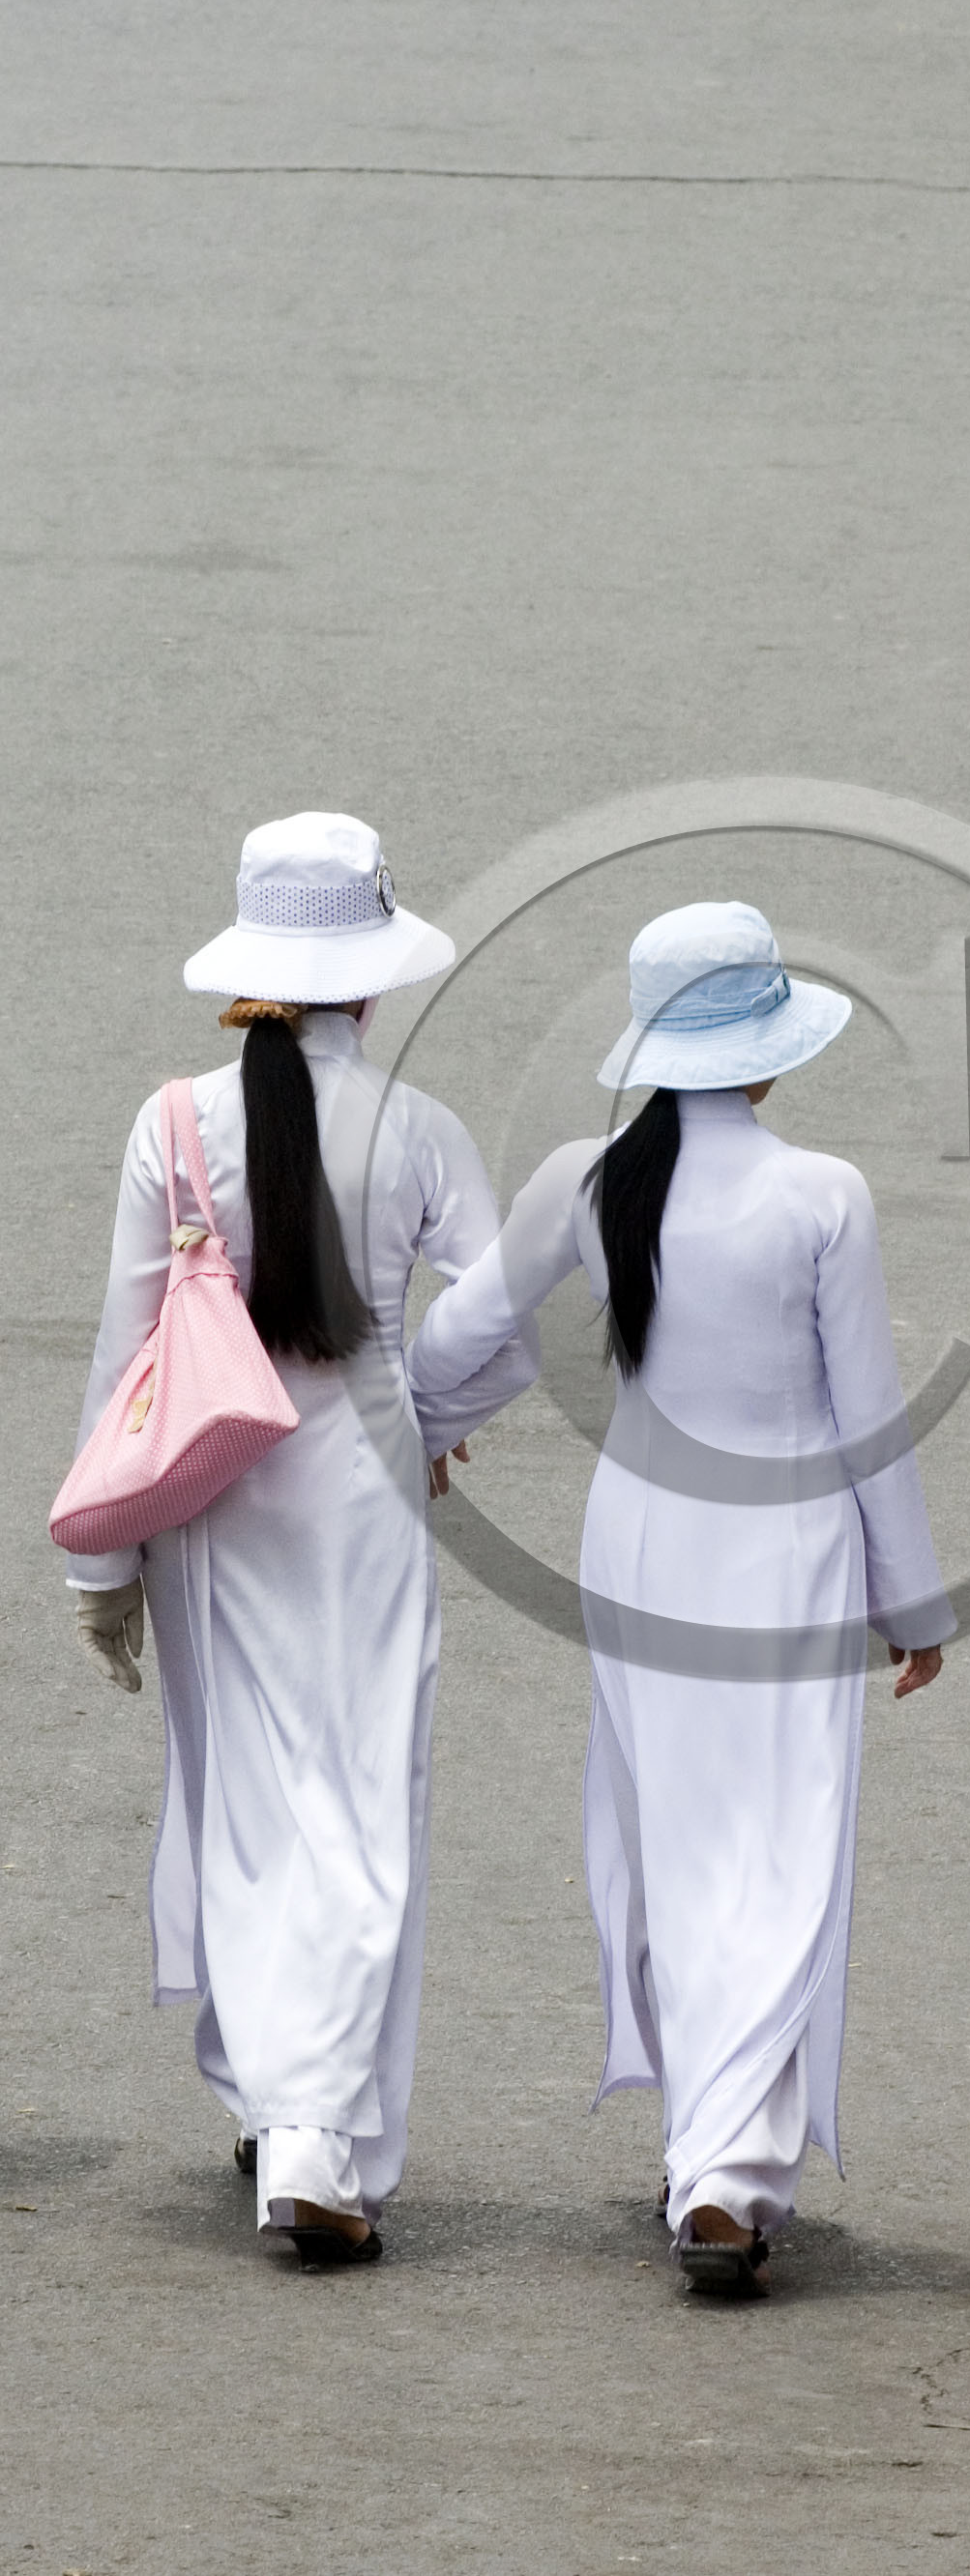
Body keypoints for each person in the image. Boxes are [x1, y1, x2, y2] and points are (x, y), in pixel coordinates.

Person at [406, 900, 953, 2292]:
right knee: (776, 1842)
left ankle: (703, 2145)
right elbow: (867, 1417)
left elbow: (454, 1338)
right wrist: (913, 1604)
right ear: (766, 1053)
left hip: (640, 1543)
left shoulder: (587, 1180)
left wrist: (432, 1431)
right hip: (786, 1549)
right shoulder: (822, 1194)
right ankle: (729, 2170)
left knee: (670, 1829)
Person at [66, 812, 535, 2268]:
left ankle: (276, 2102)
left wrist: (100, 1561)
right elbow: (515, 1314)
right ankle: (315, 2136)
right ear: (370, 981)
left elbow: (128, 1351)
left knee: (248, 1802)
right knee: (360, 1802)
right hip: (366, 1496)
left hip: (211, 1497)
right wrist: (426, 1410)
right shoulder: (420, 1127)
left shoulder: (174, 1122)